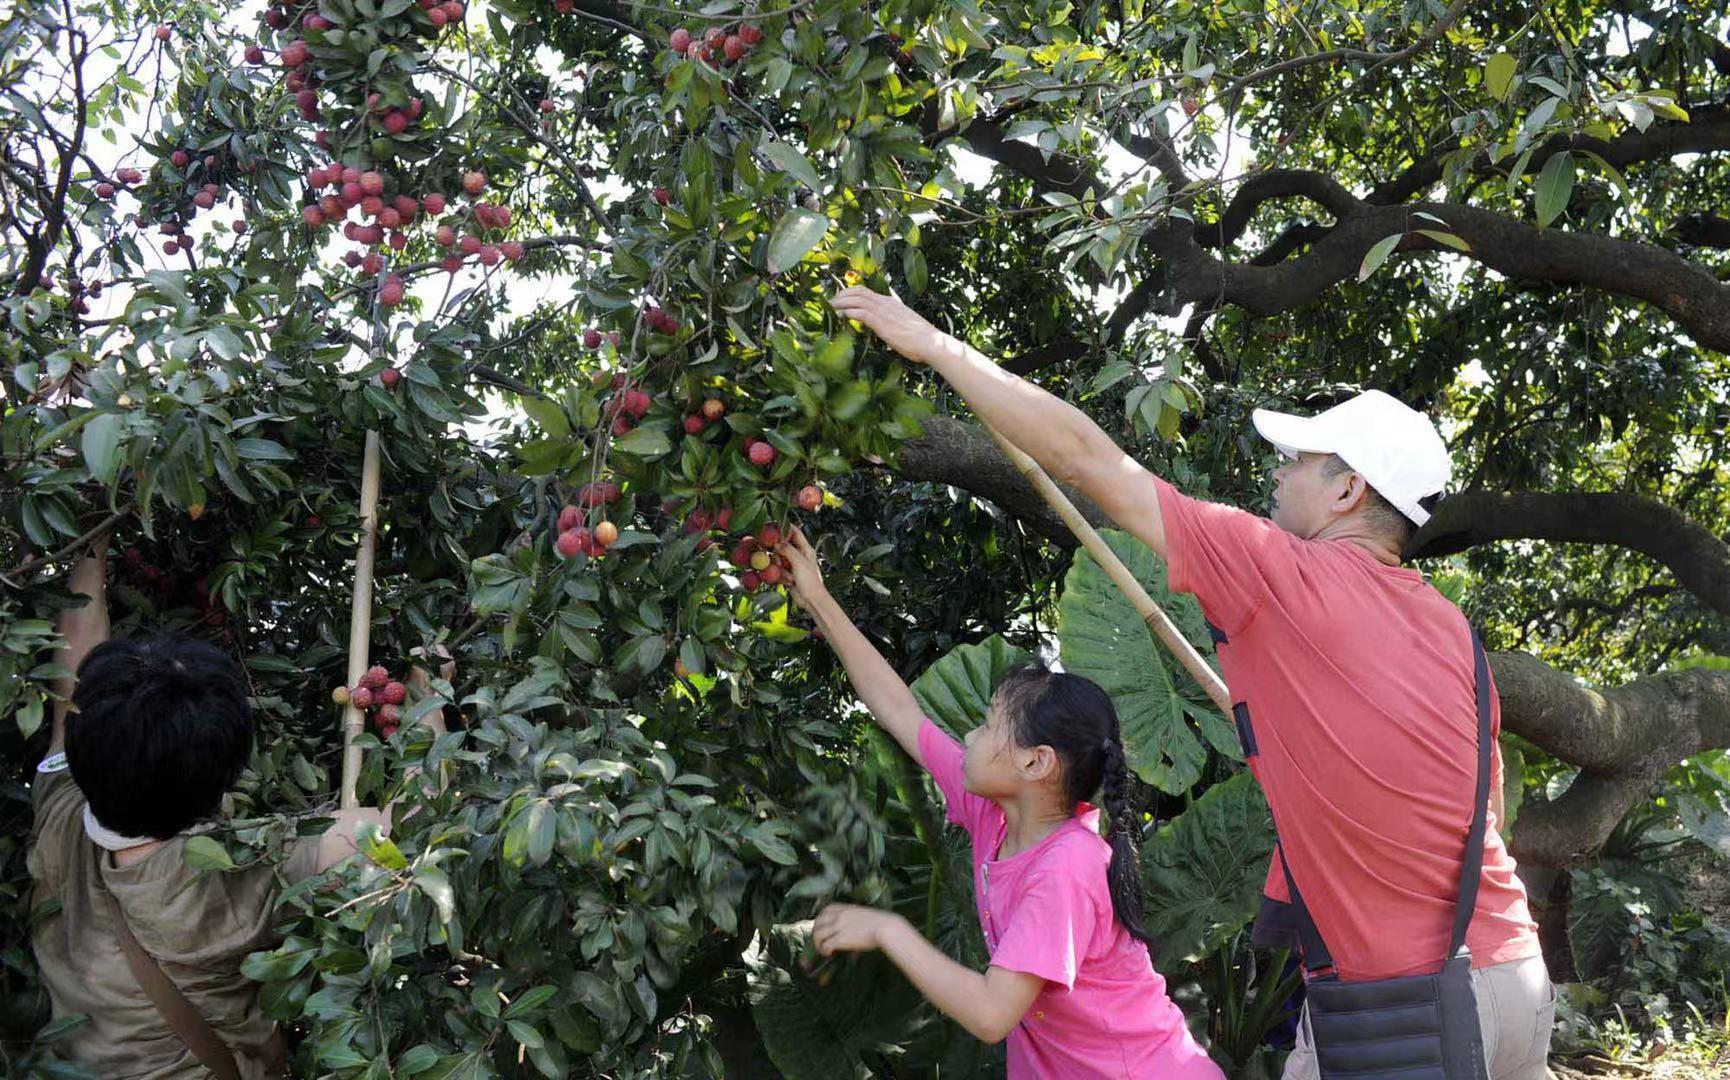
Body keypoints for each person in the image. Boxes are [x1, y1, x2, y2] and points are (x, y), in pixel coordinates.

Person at [829, 286, 1554, 1080]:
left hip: (1410, 1012)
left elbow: (1089, 461)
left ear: (1348, 491)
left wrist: (936, 345)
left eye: (1298, 462)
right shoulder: (1454, 631)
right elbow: (1485, 809)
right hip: (1514, 977)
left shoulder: (1287, 577)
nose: (1278, 476)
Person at [778, 527, 1224, 1079]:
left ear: (1036, 763)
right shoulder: (995, 813)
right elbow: (901, 711)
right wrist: (818, 600)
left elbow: (992, 1014)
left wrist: (888, 931)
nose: (968, 737)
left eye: (988, 727)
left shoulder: (1066, 867)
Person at [27, 542, 447, 1078]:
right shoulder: (243, 872)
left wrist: (92, 540)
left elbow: (72, 673)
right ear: (227, 781)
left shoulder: (58, 804)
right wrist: (430, 699)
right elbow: (417, 831)